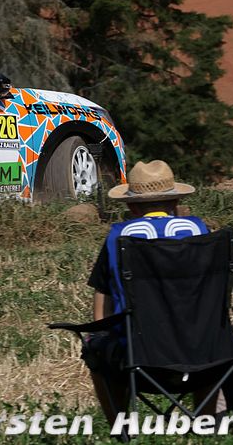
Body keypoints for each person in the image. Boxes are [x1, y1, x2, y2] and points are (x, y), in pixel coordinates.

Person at [83, 159, 209, 423]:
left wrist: (99, 337)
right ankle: (208, 424)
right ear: (176, 201)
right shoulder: (200, 232)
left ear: (131, 206)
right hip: (205, 356)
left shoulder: (118, 237)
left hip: (138, 358)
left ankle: (121, 430)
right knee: (216, 342)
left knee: (96, 348)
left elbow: (102, 301)